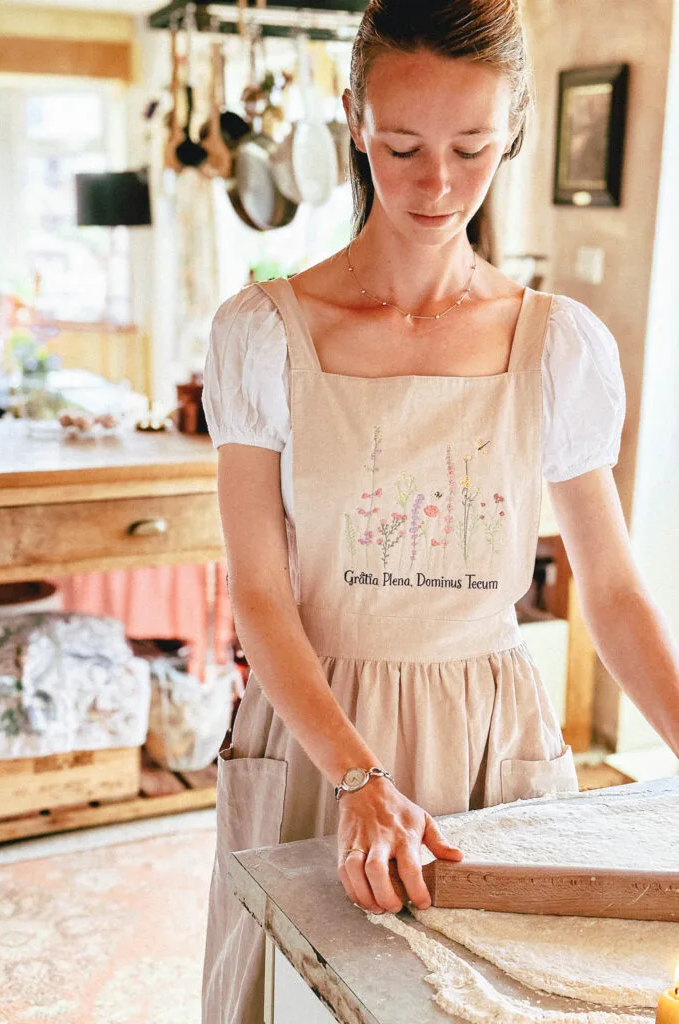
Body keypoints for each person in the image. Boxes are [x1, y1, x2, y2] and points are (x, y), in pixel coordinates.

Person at [200, 1, 679, 1021]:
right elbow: (260, 596)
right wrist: (356, 776)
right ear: (354, 120)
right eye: (403, 146)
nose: (437, 185)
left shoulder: (558, 345)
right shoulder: (264, 335)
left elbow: (612, 587)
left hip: (492, 732)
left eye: (471, 148)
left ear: (513, 131)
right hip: (317, 731)